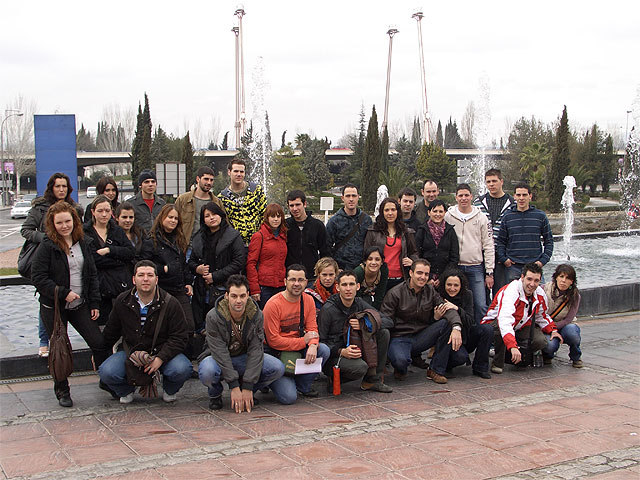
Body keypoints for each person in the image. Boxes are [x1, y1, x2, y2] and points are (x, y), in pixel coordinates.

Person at [31, 201, 108, 407]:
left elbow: (91, 274)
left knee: (99, 343)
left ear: (74, 221)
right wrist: (64, 293)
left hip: (80, 304)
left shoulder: (83, 242)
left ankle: (107, 380)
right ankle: (62, 389)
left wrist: (94, 303)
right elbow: (38, 277)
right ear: (52, 224)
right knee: (59, 348)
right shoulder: (47, 246)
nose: (64, 226)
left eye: (68, 221)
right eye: (59, 223)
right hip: (54, 307)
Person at [99, 260, 192, 404]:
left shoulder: (171, 303)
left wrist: (160, 358)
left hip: (162, 350)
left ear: (157, 279)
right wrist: (99, 351)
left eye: (150, 275)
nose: (145, 279)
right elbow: (111, 331)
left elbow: (179, 336)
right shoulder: (122, 301)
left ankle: (170, 389)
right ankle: (126, 390)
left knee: (182, 368)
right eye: (141, 275)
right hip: (131, 351)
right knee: (106, 371)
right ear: (133, 279)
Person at [198, 275, 285, 411]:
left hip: (243, 357)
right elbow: (219, 351)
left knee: (277, 367)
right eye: (234, 296)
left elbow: (256, 349)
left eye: (242, 296)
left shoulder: (256, 314)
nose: (238, 301)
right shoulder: (213, 316)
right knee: (207, 371)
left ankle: (248, 393)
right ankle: (215, 394)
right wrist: (233, 385)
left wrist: (248, 385)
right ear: (226, 296)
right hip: (218, 358)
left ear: (248, 295)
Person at [21, 172, 84, 358]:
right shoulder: (40, 208)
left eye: (64, 186)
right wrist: (48, 239)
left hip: (71, 261)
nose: (61, 189)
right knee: (48, 302)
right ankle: (44, 342)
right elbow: (26, 230)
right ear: (51, 188)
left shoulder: (75, 208)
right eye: (58, 186)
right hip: (48, 260)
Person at [381, 259, 462, 384]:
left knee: (446, 324)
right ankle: (400, 368)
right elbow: (385, 320)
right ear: (411, 273)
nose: (423, 277)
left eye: (426, 274)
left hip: (421, 336)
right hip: (400, 337)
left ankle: (436, 370)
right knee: (401, 362)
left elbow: (447, 309)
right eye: (419, 273)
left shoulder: (431, 291)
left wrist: (457, 327)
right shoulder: (395, 293)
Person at [262, 264, 331, 403]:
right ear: (285, 281)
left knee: (322, 350)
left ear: (306, 282)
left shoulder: (308, 300)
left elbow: (312, 328)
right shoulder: (273, 304)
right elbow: (273, 340)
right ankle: (272, 381)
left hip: (298, 350)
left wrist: (312, 345)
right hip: (276, 353)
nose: (296, 284)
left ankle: (303, 385)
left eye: (300, 280)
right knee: (289, 398)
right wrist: (303, 341)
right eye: (292, 279)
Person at [318, 270, 393, 393]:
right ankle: (335, 379)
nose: (348, 289)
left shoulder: (359, 303)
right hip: (335, 355)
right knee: (360, 367)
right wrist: (341, 351)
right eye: (344, 285)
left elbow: (388, 321)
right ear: (337, 287)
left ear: (357, 287)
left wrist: (365, 324)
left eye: (352, 284)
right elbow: (321, 341)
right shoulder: (328, 309)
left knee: (383, 333)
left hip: (356, 348)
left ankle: (372, 380)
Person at [483, 262, 562, 374]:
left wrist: (553, 330)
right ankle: (498, 361)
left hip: (520, 324)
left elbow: (542, 315)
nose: (532, 284)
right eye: (529, 279)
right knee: (501, 329)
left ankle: (519, 354)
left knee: (541, 341)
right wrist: (512, 346)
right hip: (495, 323)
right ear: (522, 277)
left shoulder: (540, 293)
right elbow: (505, 320)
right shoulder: (511, 291)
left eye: (536, 281)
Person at [189, 202, 246, 334]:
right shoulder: (198, 237)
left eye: (214, 214)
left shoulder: (233, 236)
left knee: (222, 325)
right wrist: (197, 268)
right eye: (207, 215)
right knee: (201, 325)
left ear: (221, 215)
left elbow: (239, 261)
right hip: (201, 288)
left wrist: (215, 276)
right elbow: (191, 261)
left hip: (224, 286)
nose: (212, 218)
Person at [444, 183, 495, 326]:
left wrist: (489, 272)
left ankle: (483, 334)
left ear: (471, 197)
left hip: (475, 267)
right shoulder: (449, 216)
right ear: (456, 197)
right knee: (454, 302)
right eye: (460, 195)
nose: (464, 198)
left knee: (480, 304)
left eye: (466, 195)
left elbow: (489, 244)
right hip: (455, 268)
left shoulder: (481, 218)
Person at [83, 195, 135, 324]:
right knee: (101, 327)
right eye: (100, 211)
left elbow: (130, 253)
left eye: (107, 210)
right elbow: (92, 259)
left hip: (119, 284)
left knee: (123, 322)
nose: (104, 214)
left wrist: (110, 250)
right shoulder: (85, 232)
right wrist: (119, 260)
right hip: (98, 285)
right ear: (93, 212)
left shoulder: (117, 230)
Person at [146, 205, 194, 335]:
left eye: (176, 218)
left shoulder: (178, 239)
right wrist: (164, 269)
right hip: (161, 290)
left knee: (189, 325)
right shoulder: (151, 240)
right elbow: (144, 265)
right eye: (170, 217)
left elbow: (183, 264)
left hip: (179, 288)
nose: (173, 221)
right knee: (163, 326)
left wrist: (188, 282)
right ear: (162, 218)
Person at [438, 269, 493, 379]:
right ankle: (445, 363)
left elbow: (470, 320)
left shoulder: (467, 294)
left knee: (487, 329)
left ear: (461, 285)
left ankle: (480, 367)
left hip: (465, 335)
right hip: (447, 340)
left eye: (456, 285)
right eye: (449, 284)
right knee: (460, 358)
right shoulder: (438, 295)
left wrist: (457, 309)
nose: (452, 288)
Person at [496, 182, 553, 284]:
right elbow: (501, 241)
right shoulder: (507, 217)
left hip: (534, 267)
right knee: (513, 298)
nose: (521, 198)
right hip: (513, 267)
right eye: (518, 195)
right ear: (514, 196)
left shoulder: (540, 216)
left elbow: (549, 241)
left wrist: (542, 261)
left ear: (530, 196)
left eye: (524, 195)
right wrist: (504, 259)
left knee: (539, 297)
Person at [473, 169, 514, 292]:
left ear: (501, 181)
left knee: (501, 291)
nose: (491, 184)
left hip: (503, 255)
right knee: (482, 292)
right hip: (482, 255)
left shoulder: (512, 204)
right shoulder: (478, 203)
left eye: (494, 181)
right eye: (488, 182)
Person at [364, 197, 418, 291]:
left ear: (398, 211)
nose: (390, 213)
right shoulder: (373, 231)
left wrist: (412, 261)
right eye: (386, 210)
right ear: (382, 212)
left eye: (393, 210)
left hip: (400, 279)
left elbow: (414, 252)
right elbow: (366, 254)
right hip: (379, 279)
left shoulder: (406, 232)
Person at [174, 166, 225, 255]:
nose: (209, 182)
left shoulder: (217, 202)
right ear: (198, 179)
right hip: (187, 249)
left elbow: (224, 224)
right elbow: (174, 222)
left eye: (211, 180)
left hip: (210, 249)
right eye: (206, 179)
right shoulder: (183, 200)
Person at [246, 203, 288, 309]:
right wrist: (254, 289)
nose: (276, 219)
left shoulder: (283, 237)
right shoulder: (259, 236)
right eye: (272, 216)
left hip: (281, 285)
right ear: (267, 218)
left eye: (278, 216)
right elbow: (251, 263)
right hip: (264, 287)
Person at [217, 159, 266, 246]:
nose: (239, 174)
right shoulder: (222, 198)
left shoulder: (256, 191)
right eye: (235, 171)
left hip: (257, 242)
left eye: (241, 172)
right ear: (229, 172)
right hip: (235, 245)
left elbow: (265, 214)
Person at [542, 264, 583, 367]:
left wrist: (554, 328)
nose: (563, 281)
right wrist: (550, 328)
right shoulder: (544, 289)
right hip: (546, 326)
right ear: (556, 277)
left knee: (572, 333)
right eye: (561, 277)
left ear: (572, 281)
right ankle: (548, 355)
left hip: (564, 325)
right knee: (550, 345)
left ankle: (576, 357)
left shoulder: (575, 295)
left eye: (568, 278)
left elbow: (568, 319)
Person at [326, 183, 372, 270]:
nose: (351, 199)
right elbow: (326, 247)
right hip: (341, 268)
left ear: (358, 197)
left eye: (354, 196)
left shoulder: (367, 220)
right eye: (348, 196)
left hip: (361, 268)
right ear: (342, 198)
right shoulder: (334, 221)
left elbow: (371, 244)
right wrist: (333, 268)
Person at [415, 199, 459, 288]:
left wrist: (443, 277)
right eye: (435, 211)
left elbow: (454, 257)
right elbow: (417, 254)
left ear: (445, 213)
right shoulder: (422, 230)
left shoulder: (450, 231)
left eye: (440, 211)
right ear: (429, 212)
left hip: (445, 278)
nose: (437, 214)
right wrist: (428, 277)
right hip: (425, 277)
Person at [284, 189, 330, 276]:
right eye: (291, 205)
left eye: (298, 205)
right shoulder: (285, 226)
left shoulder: (317, 225)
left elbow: (325, 252)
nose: (295, 209)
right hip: (291, 276)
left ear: (304, 204)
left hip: (311, 276)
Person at [353, 246, 389, 310]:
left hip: (370, 300)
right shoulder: (358, 272)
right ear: (365, 261)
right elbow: (356, 297)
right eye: (370, 259)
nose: (373, 263)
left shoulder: (384, 270)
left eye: (377, 259)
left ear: (382, 262)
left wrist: (374, 312)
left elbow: (380, 295)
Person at [115, 202, 148, 272]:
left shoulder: (141, 234)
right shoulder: (112, 235)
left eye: (131, 217)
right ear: (117, 218)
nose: (128, 220)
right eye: (124, 217)